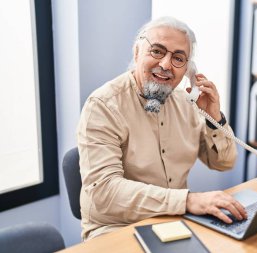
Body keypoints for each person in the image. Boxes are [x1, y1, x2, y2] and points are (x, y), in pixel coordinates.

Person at [77, 16, 246, 241]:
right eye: (157, 51)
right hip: (117, 228)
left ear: (187, 70)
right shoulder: (103, 106)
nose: (166, 64)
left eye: (178, 58)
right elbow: (104, 193)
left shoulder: (187, 105)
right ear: (137, 53)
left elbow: (223, 162)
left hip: (176, 221)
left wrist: (213, 118)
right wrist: (187, 201)